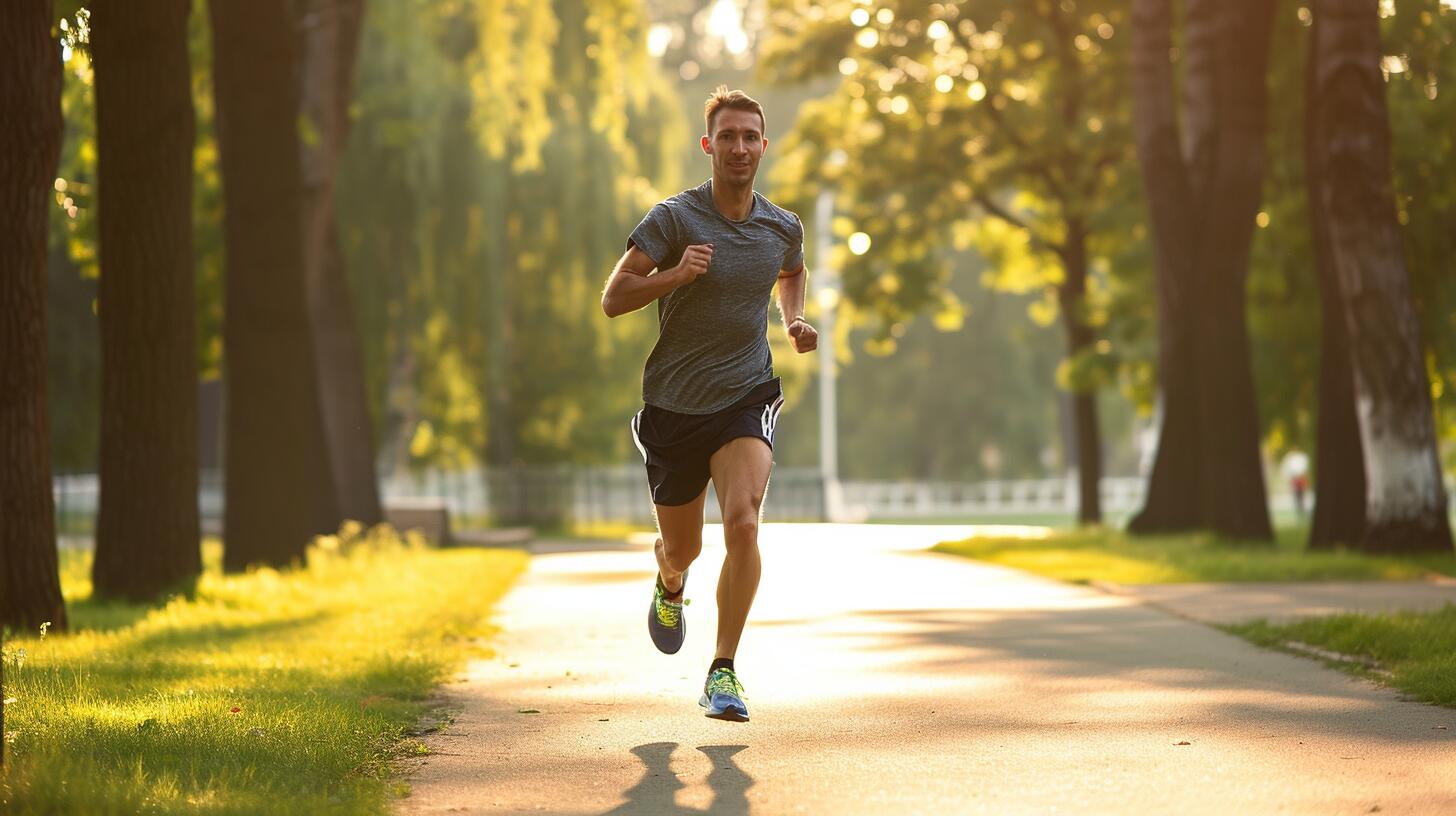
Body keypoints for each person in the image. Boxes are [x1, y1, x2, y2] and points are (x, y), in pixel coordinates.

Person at [600, 86, 817, 722]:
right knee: (685, 549)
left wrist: (795, 320)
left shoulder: (782, 226)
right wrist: (674, 275)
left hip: (746, 392)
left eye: (751, 136)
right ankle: (670, 584)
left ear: (763, 145)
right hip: (674, 404)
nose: (741, 147)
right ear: (709, 145)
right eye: (728, 136)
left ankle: (723, 671)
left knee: (745, 520)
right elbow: (614, 297)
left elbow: (792, 269)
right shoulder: (675, 219)